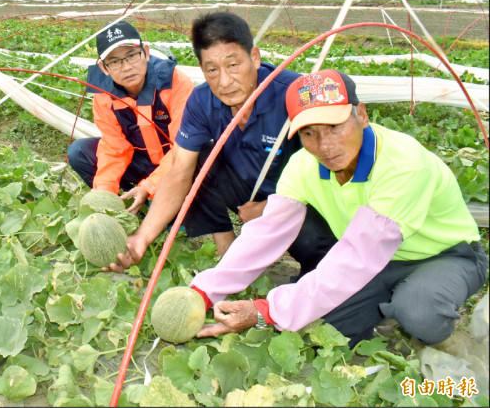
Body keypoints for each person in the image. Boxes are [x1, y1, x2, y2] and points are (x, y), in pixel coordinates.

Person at [190, 69, 487, 348]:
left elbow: (358, 256)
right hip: (382, 260)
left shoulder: (403, 165)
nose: (325, 145)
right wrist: (204, 291)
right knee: (326, 329)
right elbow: (265, 233)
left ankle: (426, 295)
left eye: (335, 126)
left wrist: (266, 311)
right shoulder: (303, 165)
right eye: (309, 133)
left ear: (361, 115)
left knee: (420, 313)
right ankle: (388, 296)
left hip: (445, 254)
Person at [107, 11, 332, 269]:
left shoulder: (296, 94)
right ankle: (227, 245)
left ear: (255, 58)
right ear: (202, 69)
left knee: (317, 254)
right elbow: (179, 174)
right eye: (212, 70)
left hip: (301, 200)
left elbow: (331, 173)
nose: (224, 82)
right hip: (246, 191)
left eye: (233, 65)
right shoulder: (202, 101)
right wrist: (141, 238)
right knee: (194, 154)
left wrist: (272, 207)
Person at [67, 21, 194, 213]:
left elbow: (183, 148)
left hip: (177, 163)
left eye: (132, 56)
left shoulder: (175, 82)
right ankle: (127, 202)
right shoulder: (103, 95)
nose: (126, 67)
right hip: (140, 161)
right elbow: (114, 147)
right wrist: (104, 190)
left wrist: (150, 186)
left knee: (202, 152)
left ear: (146, 53)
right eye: (115, 61)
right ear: (103, 68)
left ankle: (166, 203)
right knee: (78, 151)